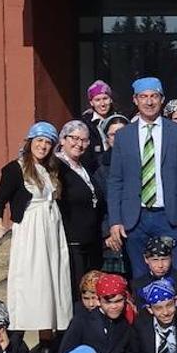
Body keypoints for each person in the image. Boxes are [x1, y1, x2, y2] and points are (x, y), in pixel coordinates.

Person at [106, 77, 177, 277]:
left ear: (162, 99)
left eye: (154, 96)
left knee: (176, 273)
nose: (149, 102)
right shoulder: (123, 136)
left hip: (169, 216)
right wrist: (115, 220)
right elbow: (115, 181)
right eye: (143, 97)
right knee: (140, 276)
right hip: (134, 218)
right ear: (135, 100)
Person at [0, 121, 75, 334]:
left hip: (52, 228)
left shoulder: (51, 170)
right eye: (39, 141)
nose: (43, 146)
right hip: (31, 229)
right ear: (30, 142)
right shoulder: (15, 169)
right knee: (33, 280)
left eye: (48, 142)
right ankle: (23, 334)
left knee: (53, 280)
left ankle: (49, 339)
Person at [55, 120, 105, 296]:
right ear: (62, 139)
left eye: (84, 140)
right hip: (71, 243)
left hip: (90, 242)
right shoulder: (56, 167)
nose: (79, 144)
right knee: (76, 292)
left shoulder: (84, 167)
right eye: (74, 138)